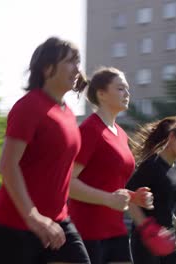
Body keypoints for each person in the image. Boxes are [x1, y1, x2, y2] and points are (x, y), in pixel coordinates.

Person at [0, 36, 91, 264]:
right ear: (48, 68)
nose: (77, 69)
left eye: (77, 62)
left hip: (56, 224)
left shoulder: (67, 113)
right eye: (70, 61)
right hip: (10, 229)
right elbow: (7, 166)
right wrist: (34, 217)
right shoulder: (29, 106)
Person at [67, 67, 153, 264]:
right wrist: (108, 199)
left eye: (127, 89)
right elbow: (68, 183)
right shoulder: (90, 130)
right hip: (87, 232)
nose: (127, 93)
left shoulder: (121, 134)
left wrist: (134, 197)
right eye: (121, 88)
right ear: (102, 94)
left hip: (116, 231)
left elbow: (109, 183)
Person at [127, 116, 176, 264]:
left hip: (167, 240)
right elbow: (130, 199)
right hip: (146, 242)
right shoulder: (151, 165)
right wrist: (148, 229)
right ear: (172, 137)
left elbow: (164, 206)